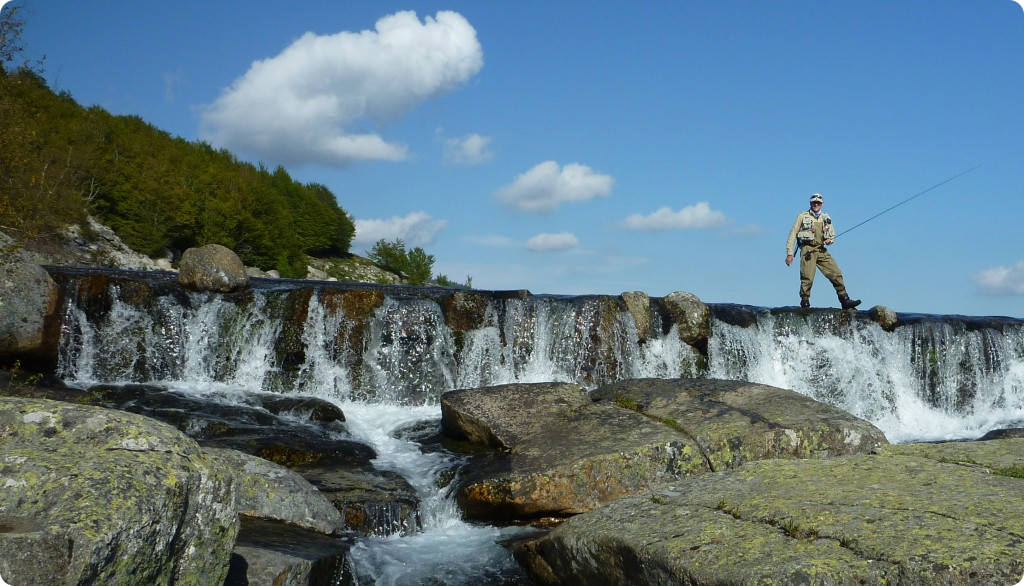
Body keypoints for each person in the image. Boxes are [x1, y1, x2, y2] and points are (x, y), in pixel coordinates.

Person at [785, 193, 861, 309]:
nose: (816, 204)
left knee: (836, 273)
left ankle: (845, 300)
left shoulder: (826, 218)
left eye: (818, 203)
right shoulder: (802, 216)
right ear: (810, 203)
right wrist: (790, 254)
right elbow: (792, 234)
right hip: (808, 250)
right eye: (814, 202)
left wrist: (829, 241)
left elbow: (832, 236)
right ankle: (805, 302)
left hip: (821, 250)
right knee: (807, 277)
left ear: (822, 204)